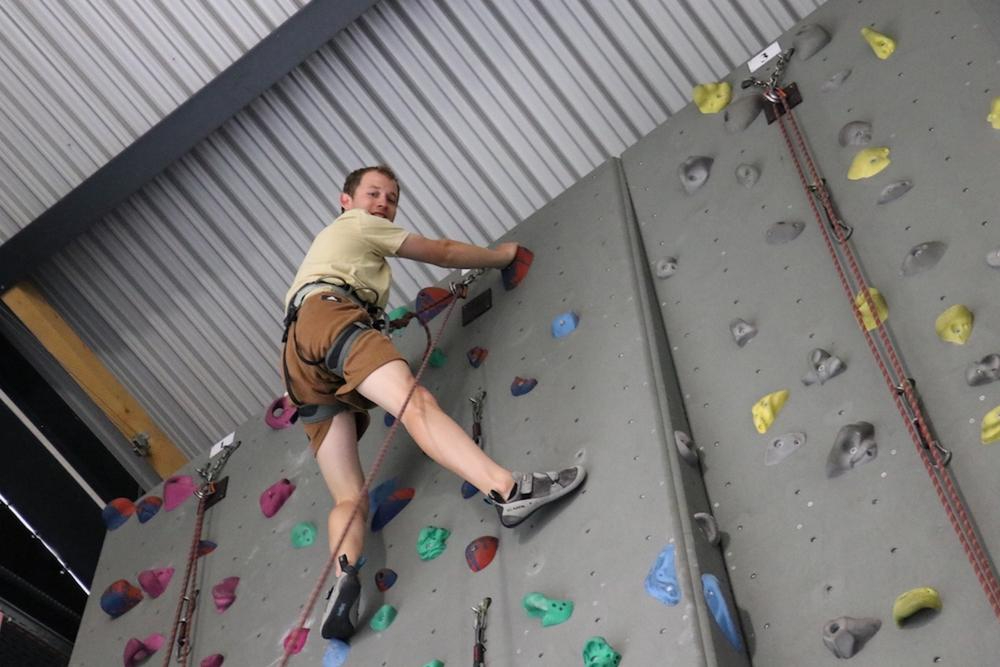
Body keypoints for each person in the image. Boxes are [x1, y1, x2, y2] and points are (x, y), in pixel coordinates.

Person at [280, 165, 586, 641]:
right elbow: (440, 251)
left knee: (348, 497)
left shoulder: (331, 252)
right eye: (373, 193)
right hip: (330, 317)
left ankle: (343, 577)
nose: (383, 204)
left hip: (297, 357)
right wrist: (501, 256)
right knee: (415, 404)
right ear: (346, 200)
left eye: (391, 198)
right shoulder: (358, 224)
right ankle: (509, 491)